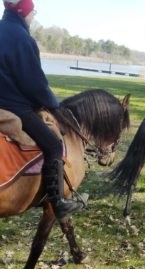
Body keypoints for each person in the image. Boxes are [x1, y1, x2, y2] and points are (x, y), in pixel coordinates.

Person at [0, 0, 83, 222]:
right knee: (54, 145)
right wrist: (52, 104)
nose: (33, 16)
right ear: (23, 12)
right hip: (14, 107)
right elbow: (33, 83)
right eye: (32, 12)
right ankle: (58, 202)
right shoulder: (22, 39)